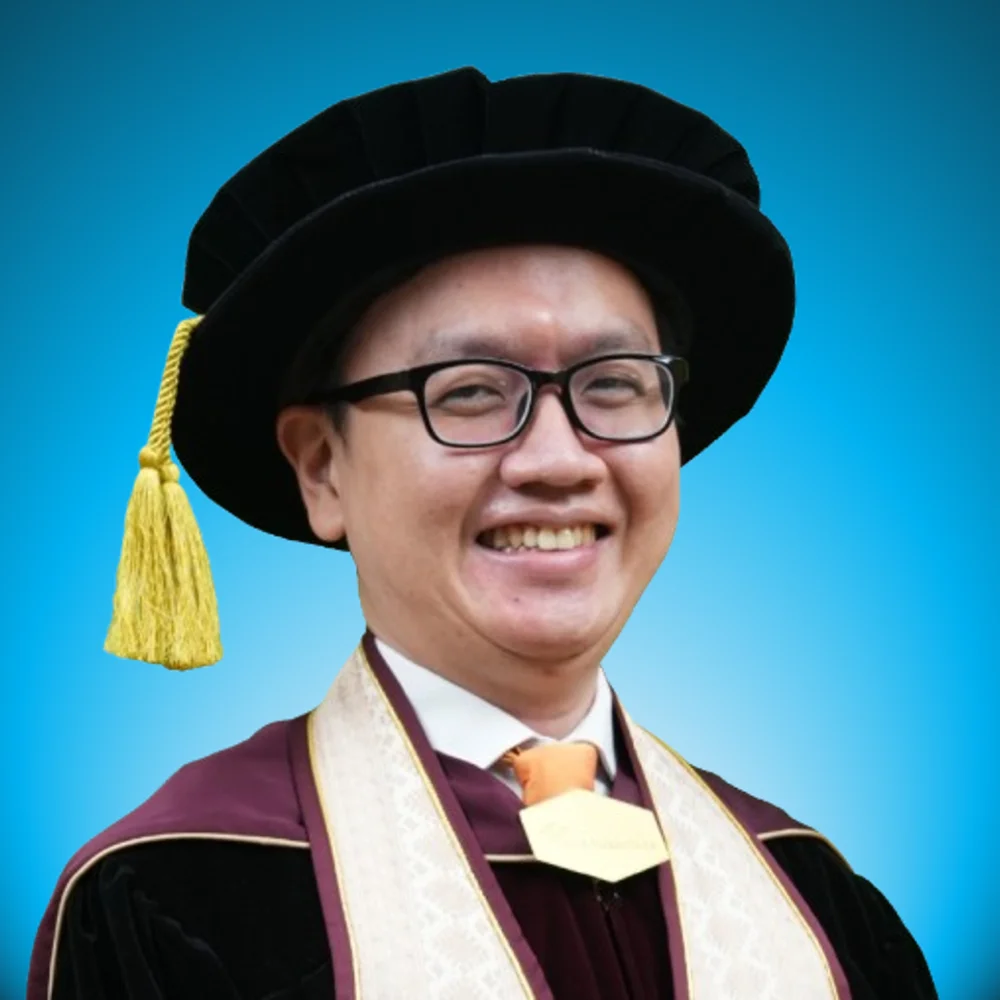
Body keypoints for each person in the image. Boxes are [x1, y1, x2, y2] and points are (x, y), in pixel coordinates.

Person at [28, 67, 937, 1000]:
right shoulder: (177, 895)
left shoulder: (813, 898)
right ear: (322, 469)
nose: (559, 459)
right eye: (468, 392)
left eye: (614, 383)